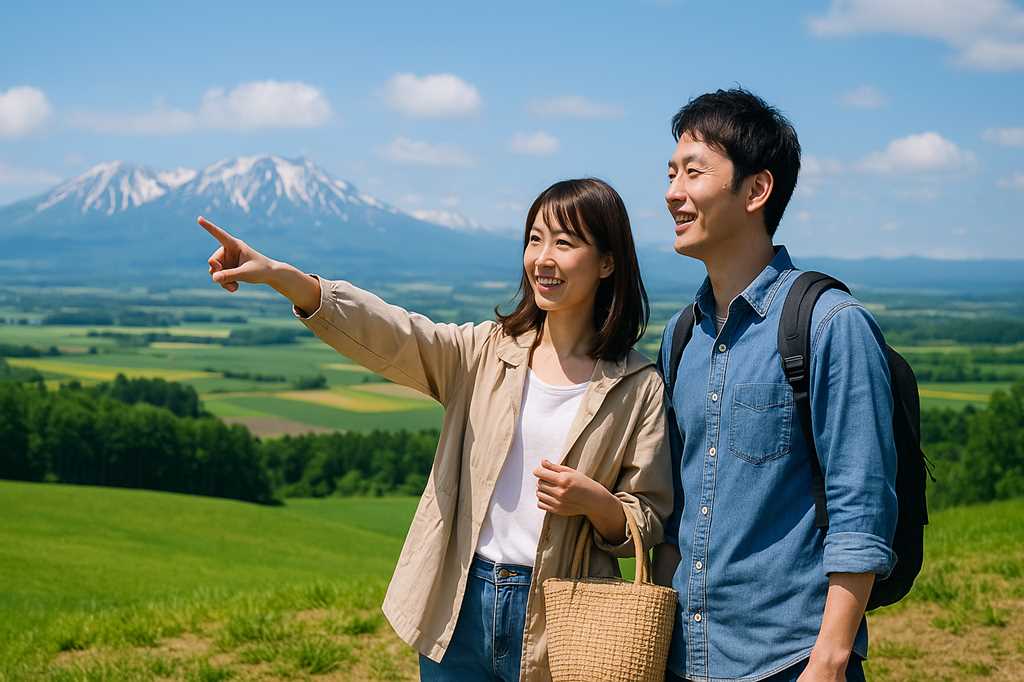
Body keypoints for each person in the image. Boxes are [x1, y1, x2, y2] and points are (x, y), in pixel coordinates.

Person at [198, 177, 672, 682]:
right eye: (534, 239)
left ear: (607, 262)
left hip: (564, 617)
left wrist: (595, 503)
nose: (543, 258)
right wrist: (281, 276)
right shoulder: (484, 352)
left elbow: (646, 520)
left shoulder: (638, 388)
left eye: (564, 241)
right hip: (460, 600)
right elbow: (391, 332)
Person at [654, 89, 897, 682]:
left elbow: (860, 506)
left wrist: (830, 659)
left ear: (756, 190)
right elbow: (675, 506)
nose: (672, 193)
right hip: (687, 659)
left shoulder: (831, 325)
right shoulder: (680, 336)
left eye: (694, 172)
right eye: (670, 173)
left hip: (790, 660)